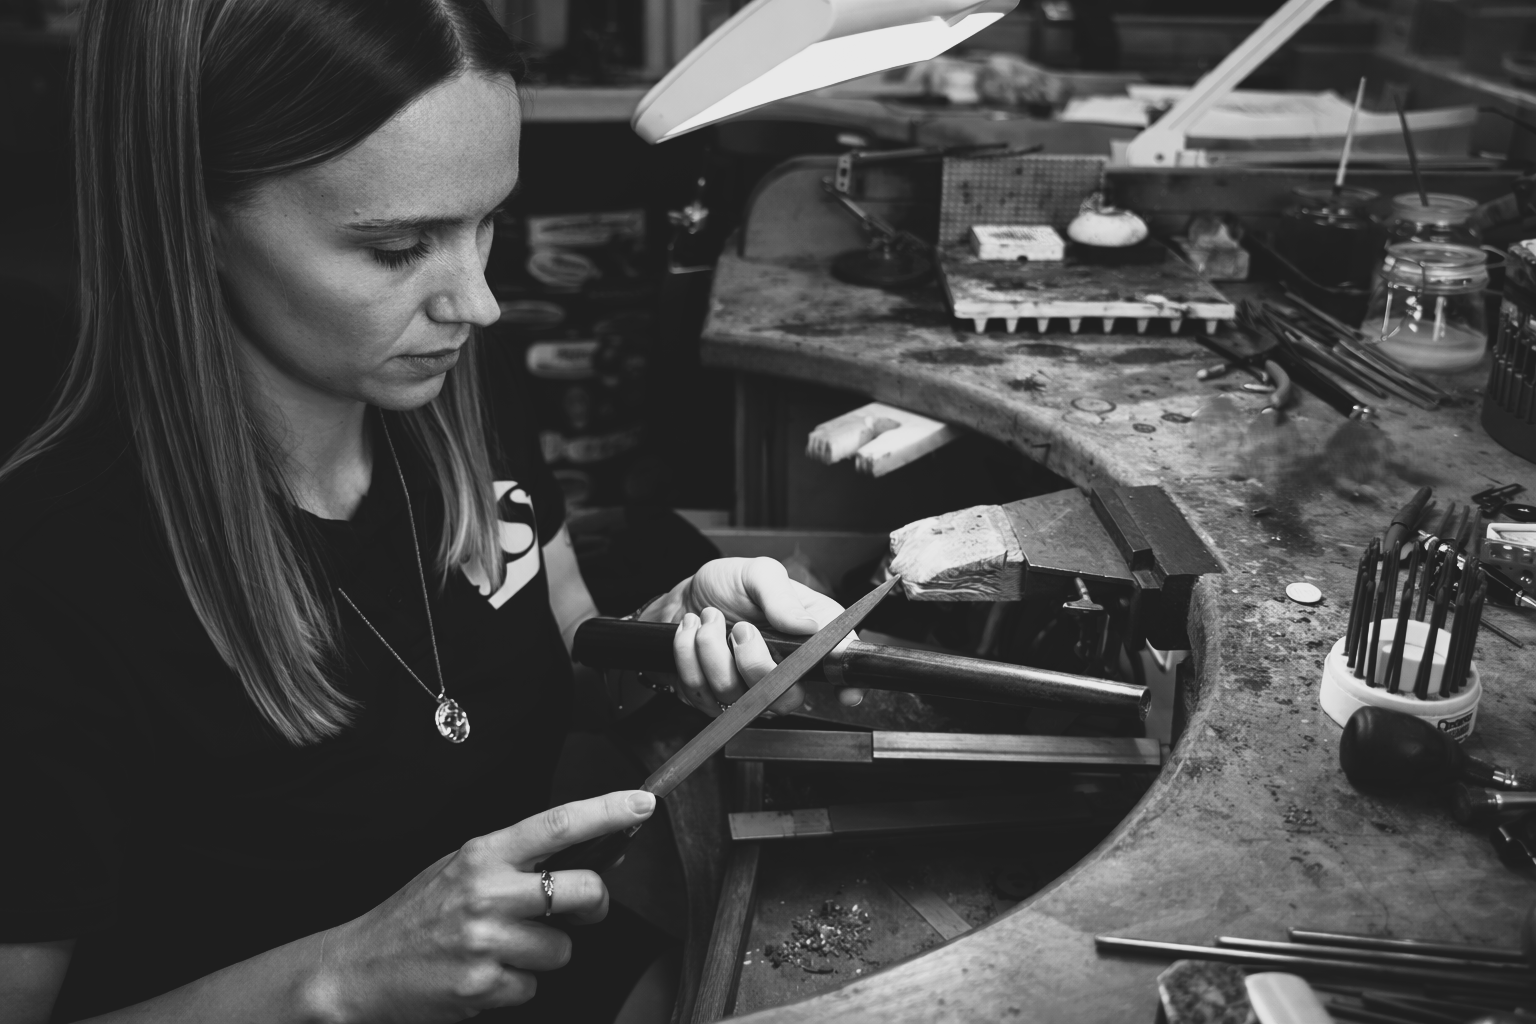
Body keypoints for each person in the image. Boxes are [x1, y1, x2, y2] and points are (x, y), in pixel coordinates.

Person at [0, 1, 860, 1021]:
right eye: (401, 246)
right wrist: (336, 978)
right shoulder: (47, 581)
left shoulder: (448, 385)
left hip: (539, 977)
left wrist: (668, 632)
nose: (477, 300)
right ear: (193, 215)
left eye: (486, 221)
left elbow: (560, 650)